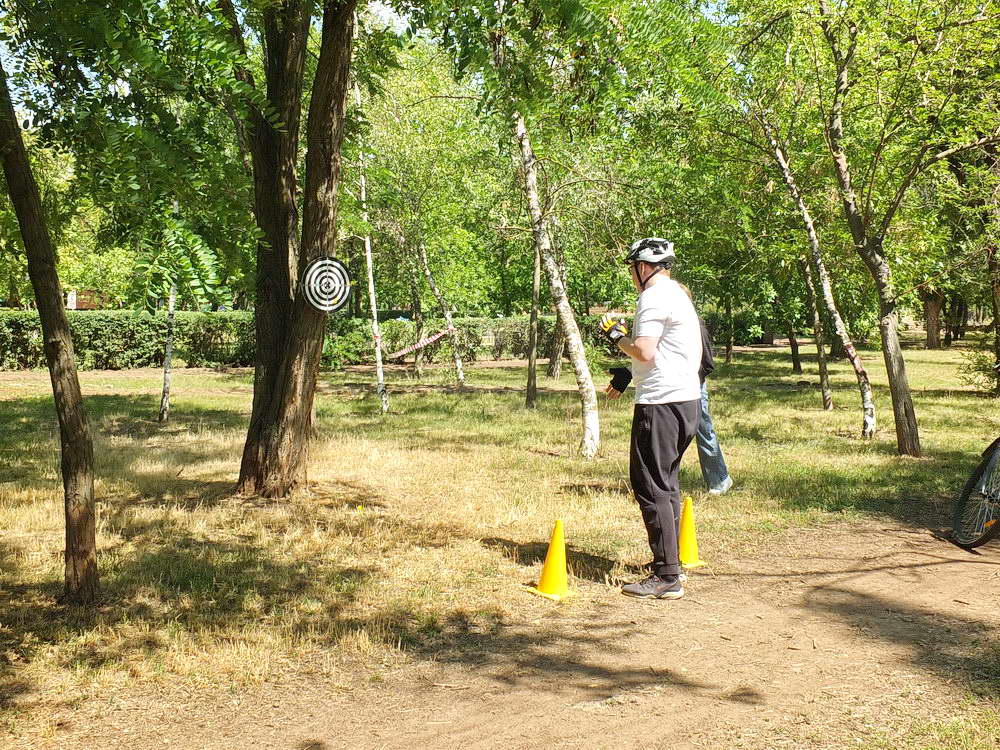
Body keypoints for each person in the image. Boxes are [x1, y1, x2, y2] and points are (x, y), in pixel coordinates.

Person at [600, 237, 702, 600]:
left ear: (643, 267)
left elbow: (644, 351)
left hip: (660, 403)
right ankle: (670, 563)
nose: (632, 275)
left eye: (632, 268)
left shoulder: (653, 297)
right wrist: (628, 374)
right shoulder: (678, 295)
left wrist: (616, 336)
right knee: (666, 484)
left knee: (650, 485)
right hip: (685, 401)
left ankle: (667, 577)